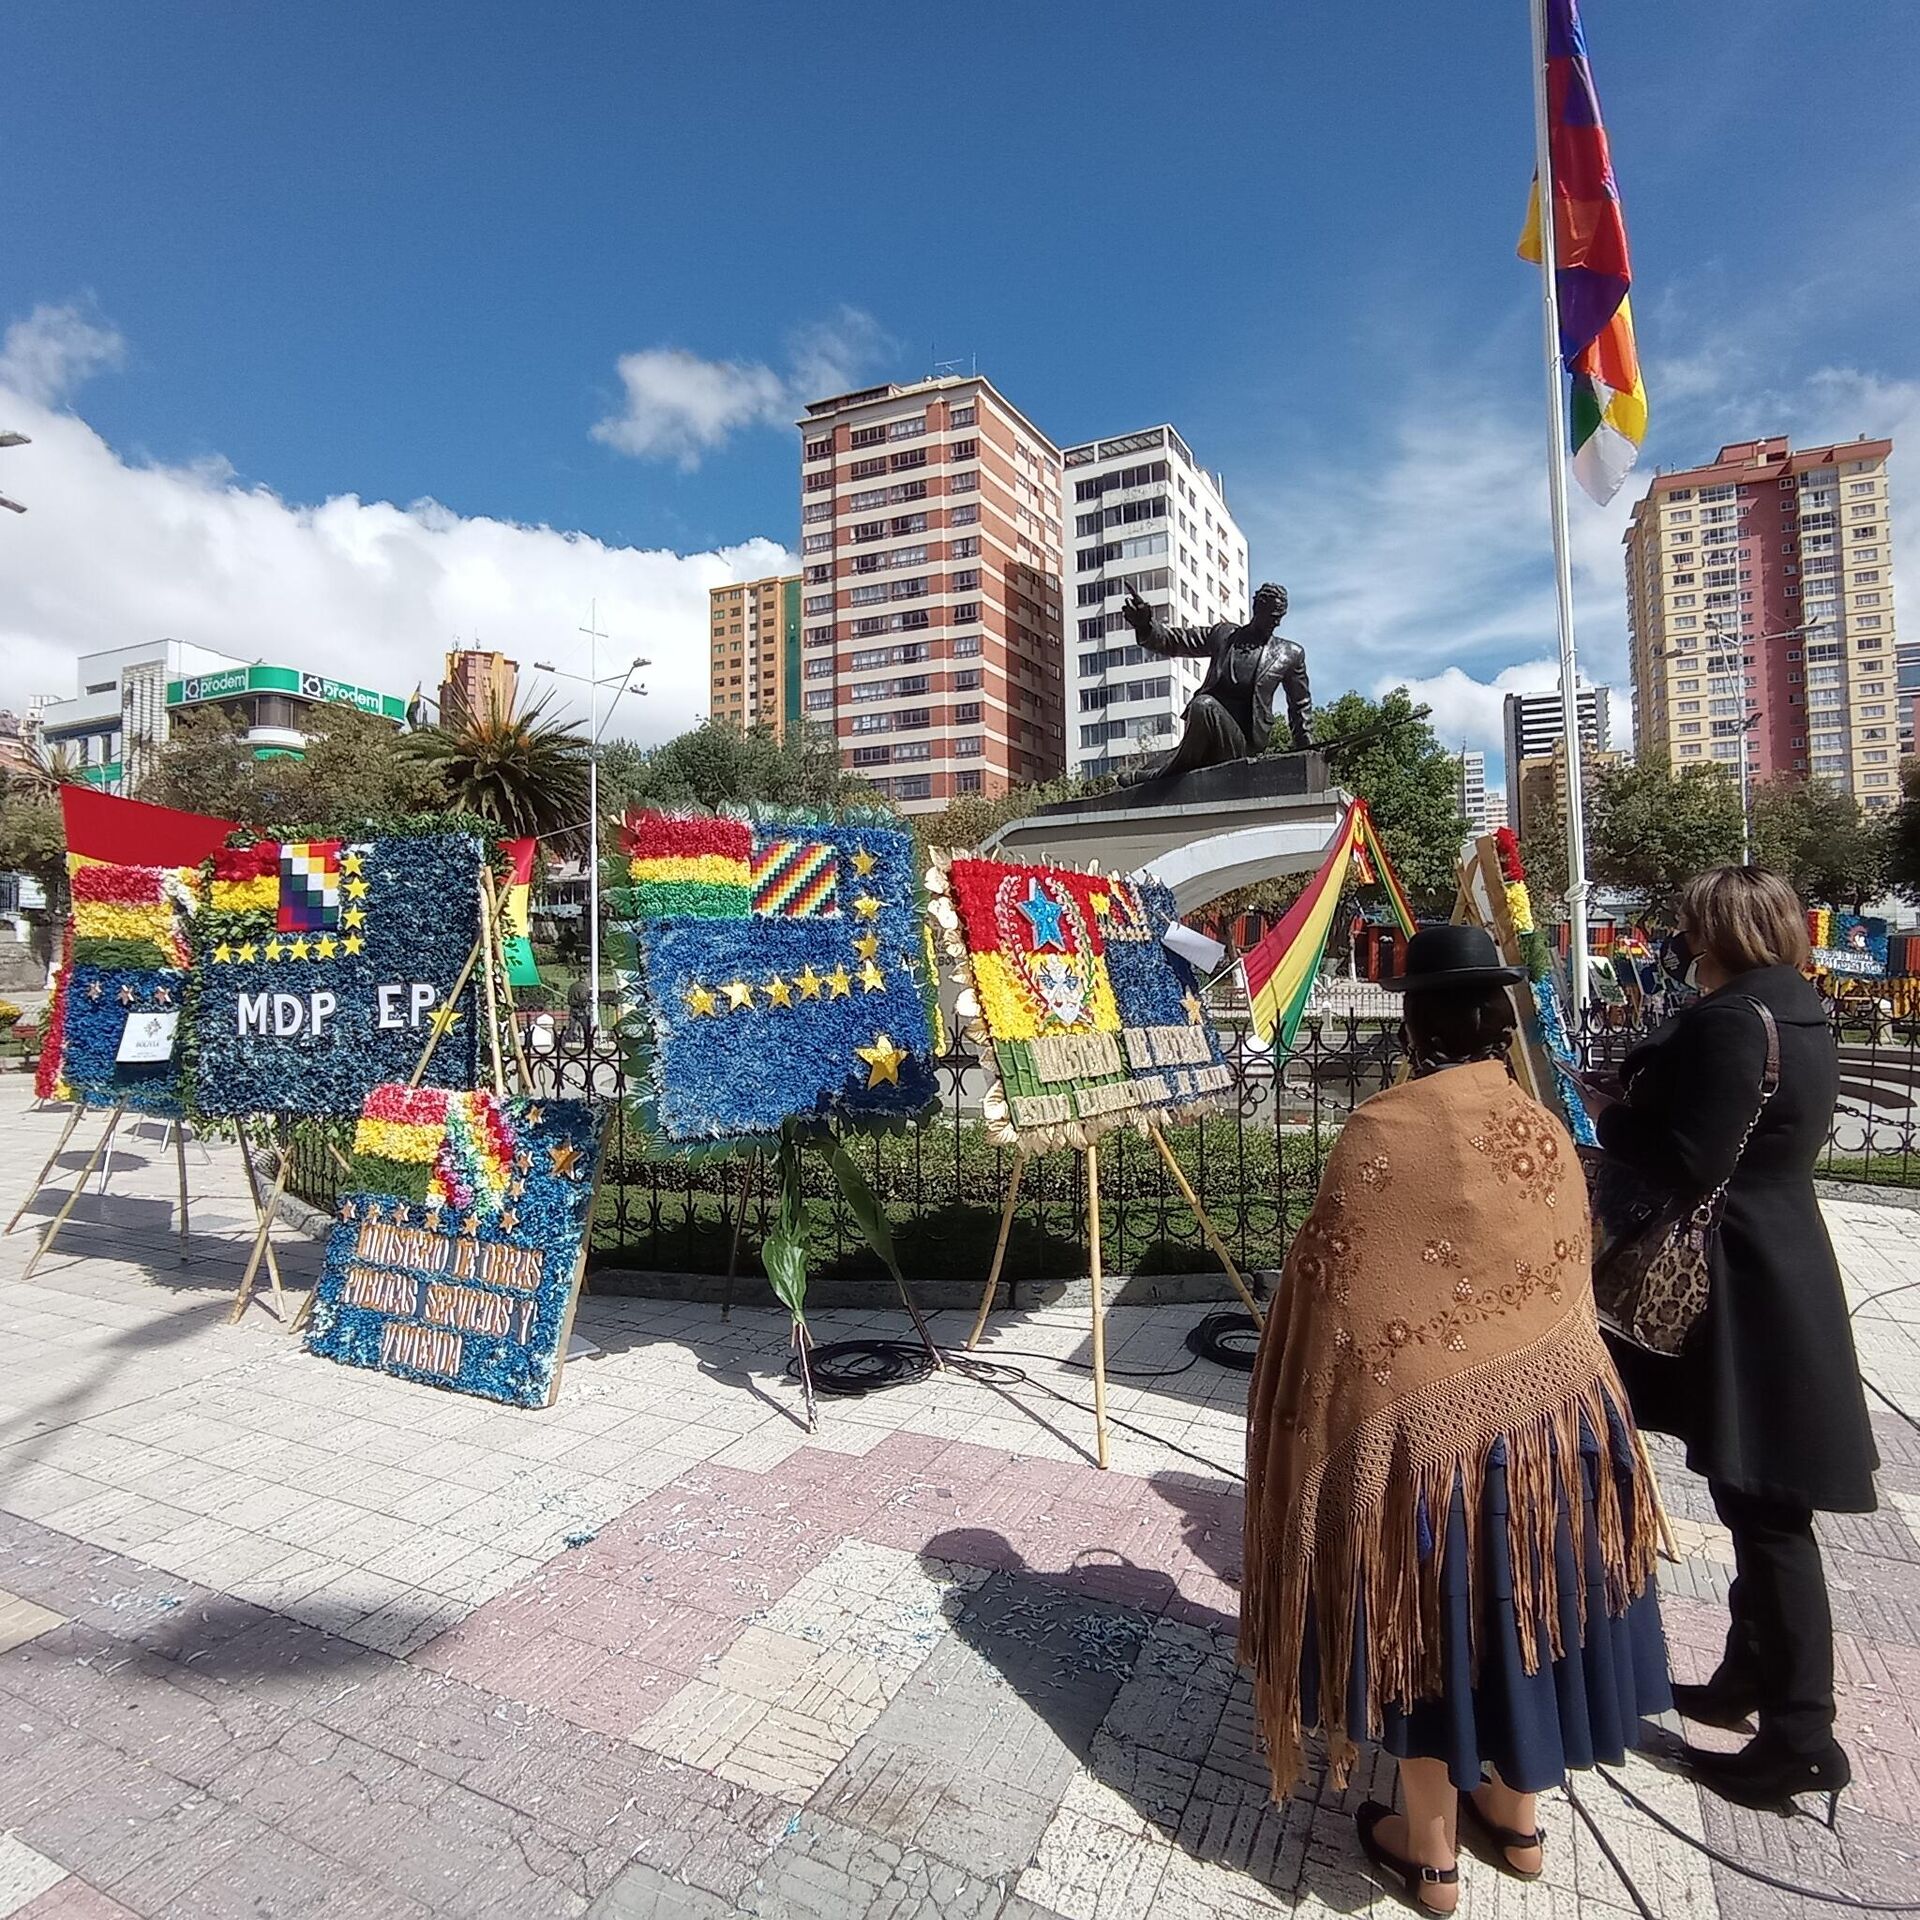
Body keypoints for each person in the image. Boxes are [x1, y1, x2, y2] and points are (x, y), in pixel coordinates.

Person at [1241, 925, 1669, 1914]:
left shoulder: (1382, 1132)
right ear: (1494, 1019)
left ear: (1413, 1021)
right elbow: (1567, 1265)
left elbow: (1335, 1286)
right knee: (1526, 1612)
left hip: (1424, 1446)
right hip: (1554, 1430)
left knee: (1426, 1622)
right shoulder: (1542, 1125)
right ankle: (1516, 1824)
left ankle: (1428, 1855)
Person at [1596, 865, 1876, 1817]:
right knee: (1756, 1489)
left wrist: (1611, 1115)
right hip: (1781, 1257)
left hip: (1741, 1277)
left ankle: (1803, 1734)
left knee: (1766, 1508)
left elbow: (1688, 1158)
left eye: (1689, 923)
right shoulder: (1801, 1011)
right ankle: (1746, 1678)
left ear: (1714, 927)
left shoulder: (1730, 1021)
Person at [1119, 580, 1313, 778]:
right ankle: (1159, 772)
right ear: (1258, 609)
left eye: (1280, 617)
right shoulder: (1224, 635)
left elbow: (1300, 706)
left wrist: (1309, 751)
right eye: (1273, 616)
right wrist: (1145, 625)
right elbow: (1175, 641)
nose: (1277, 622)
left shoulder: (1290, 654)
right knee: (1138, 779)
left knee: (1203, 705)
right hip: (1204, 735)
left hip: (1243, 743)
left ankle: (1159, 776)